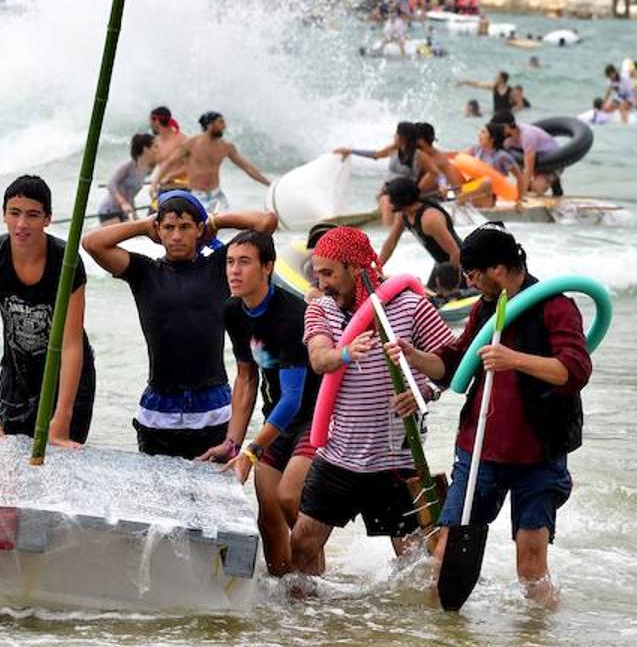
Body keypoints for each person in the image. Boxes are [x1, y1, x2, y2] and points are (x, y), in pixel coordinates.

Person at [387, 224, 592, 608]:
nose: (469, 282)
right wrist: (414, 356)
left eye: (474, 274)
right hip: (479, 452)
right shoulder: (484, 307)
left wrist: (513, 360)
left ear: (497, 269)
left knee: (531, 566)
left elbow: (575, 370)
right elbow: (454, 366)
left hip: (539, 453)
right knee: (446, 557)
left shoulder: (555, 306)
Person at [289, 227, 454, 575]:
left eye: (329, 273)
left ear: (356, 268)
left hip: (397, 459)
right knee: (302, 543)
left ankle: (397, 628)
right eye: (317, 273)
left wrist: (423, 393)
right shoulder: (321, 309)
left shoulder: (411, 305)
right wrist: (346, 353)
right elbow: (320, 360)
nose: (321, 282)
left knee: (415, 563)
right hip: (339, 455)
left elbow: (448, 368)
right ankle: (305, 627)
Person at [82, 192, 277, 460]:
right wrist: (142, 226)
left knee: (211, 498)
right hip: (159, 412)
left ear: (198, 230)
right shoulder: (144, 272)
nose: (176, 236)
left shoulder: (220, 265)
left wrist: (215, 221)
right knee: (158, 499)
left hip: (213, 409)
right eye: (168, 228)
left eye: (185, 227)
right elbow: (92, 243)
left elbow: (266, 222)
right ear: (158, 231)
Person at [0, 176, 95, 446]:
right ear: (4, 215)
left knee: (60, 469)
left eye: (33, 215)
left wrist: (62, 417)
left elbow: (71, 345)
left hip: (66, 380)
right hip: (17, 375)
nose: (22, 224)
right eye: (14, 213)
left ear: (48, 219)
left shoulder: (66, 261)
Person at [221, 231, 321, 576]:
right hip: (276, 419)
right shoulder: (233, 311)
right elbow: (247, 379)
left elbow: (293, 399)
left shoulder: (292, 316)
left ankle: (316, 589)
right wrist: (232, 443)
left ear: (268, 267)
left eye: (244, 262)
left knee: (289, 498)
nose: (234, 271)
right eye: (230, 262)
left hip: (313, 419)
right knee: (268, 516)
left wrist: (251, 452)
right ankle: (285, 597)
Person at [149, 112, 272, 213]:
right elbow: (169, 162)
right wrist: (154, 184)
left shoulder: (226, 147)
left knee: (225, 229)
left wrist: (269, 184)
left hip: (216, 195)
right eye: (221, 122)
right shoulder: (192, 143)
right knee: (202, 228)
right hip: (197, 194)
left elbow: (247, 167)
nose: (224, 126)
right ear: (210, 125)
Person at [378, 177, 463, 291]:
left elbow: (455, 253)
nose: (387, 203)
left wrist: (452, 287)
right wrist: (377, 268)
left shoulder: (429, 219)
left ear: (401, 200)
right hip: (441, 264)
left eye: (391, 199)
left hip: (459, 266)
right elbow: (391, 243)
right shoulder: (404, 215)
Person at [494, 112, 561, 197]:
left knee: (536, 189)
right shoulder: (507, 139)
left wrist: (522, 196)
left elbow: (528, 170)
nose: (495, 131)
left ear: (506, 127)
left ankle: (554, 182)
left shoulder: (527, 136)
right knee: (527, 186)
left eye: (497, 128)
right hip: (537, 161)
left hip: (554, 162)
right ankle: (546, 181)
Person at [457, 124, 521, 209]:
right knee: (453, 170)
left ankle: (461, 198)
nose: (479, 135)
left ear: (492, 138)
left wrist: (520, 200)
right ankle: (458, 196)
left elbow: (519, 177)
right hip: (472, 190)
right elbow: (458, 160)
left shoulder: (502, 156)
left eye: (483, 132)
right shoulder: (476, 149)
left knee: (487, 181)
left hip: (488, 196)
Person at [97, 133, 156, 224]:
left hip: (124, 212)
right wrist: (123, 203)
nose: (156, 150)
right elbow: (111, 185)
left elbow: (130, 195)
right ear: (145, 149)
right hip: (109, 211)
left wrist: (135, 215)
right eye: (154, 147)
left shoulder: (145, 170)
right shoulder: (128, 166)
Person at [148, 106, 188, 191]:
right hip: (163, 188)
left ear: (157, 121)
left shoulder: (182, 140)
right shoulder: (156, 142)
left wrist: (171, 176)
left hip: (181, 189)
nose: (150, 125)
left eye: (151, 122)